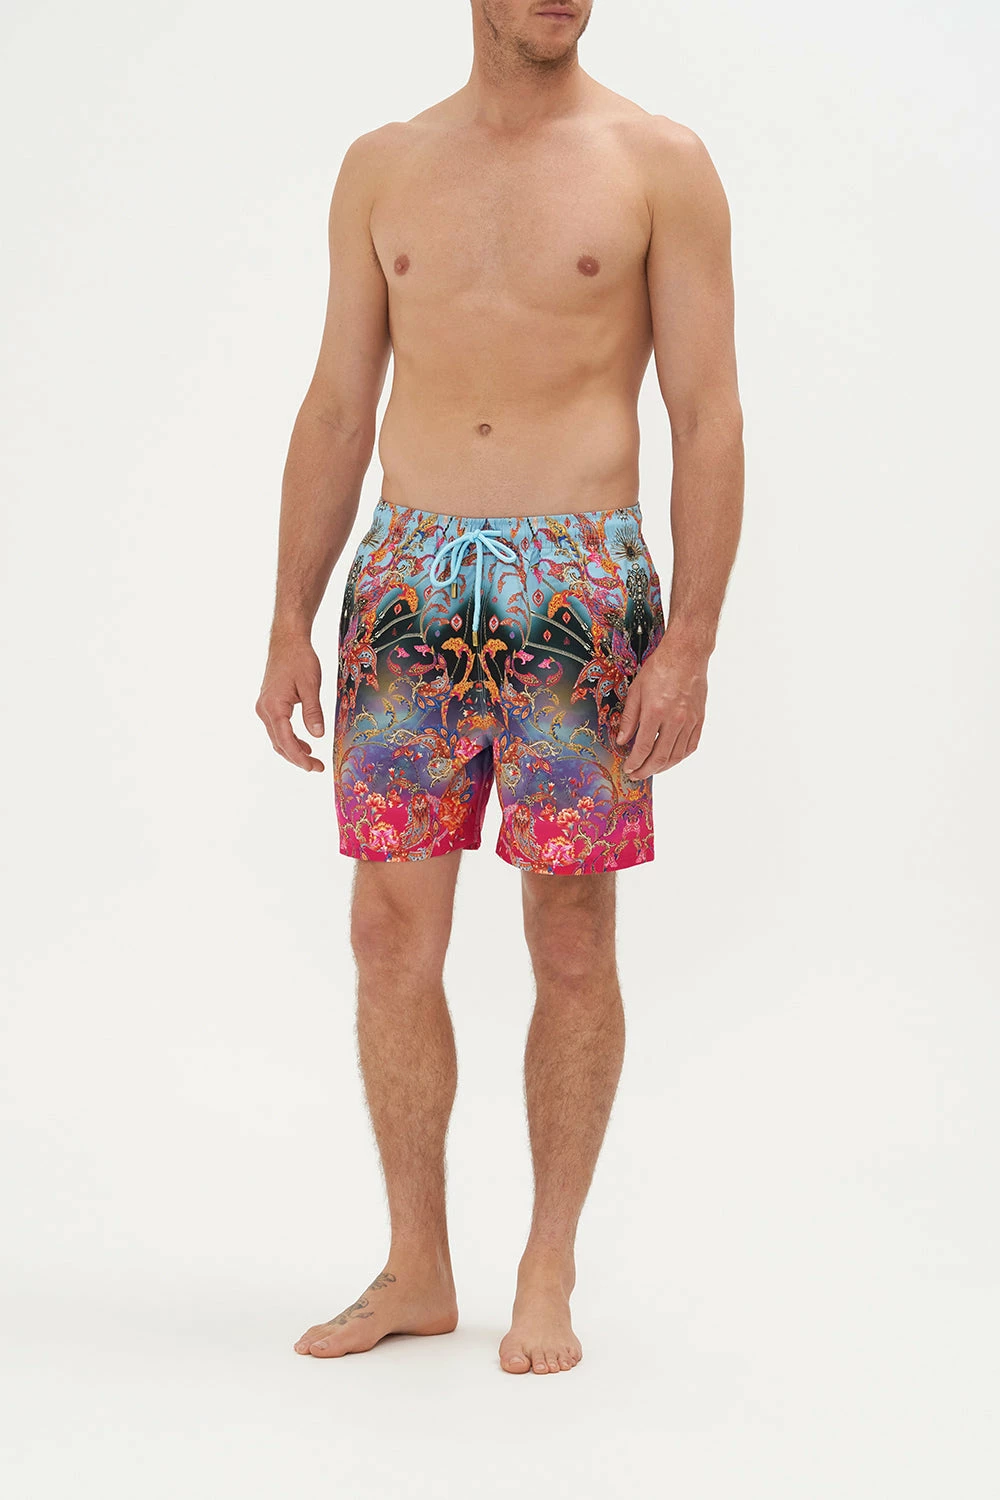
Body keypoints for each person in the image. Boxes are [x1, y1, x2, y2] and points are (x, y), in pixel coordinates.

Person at [256, 0, 743, 1376]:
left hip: (580, 585)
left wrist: (692, 640)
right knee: (386, 933)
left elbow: (707, 412)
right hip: (407, 579)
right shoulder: (384, 164)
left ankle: (548, 1264)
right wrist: (288, 618)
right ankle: (416, 1265)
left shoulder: (657, 162)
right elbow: (338, 403)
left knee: (571, 933)